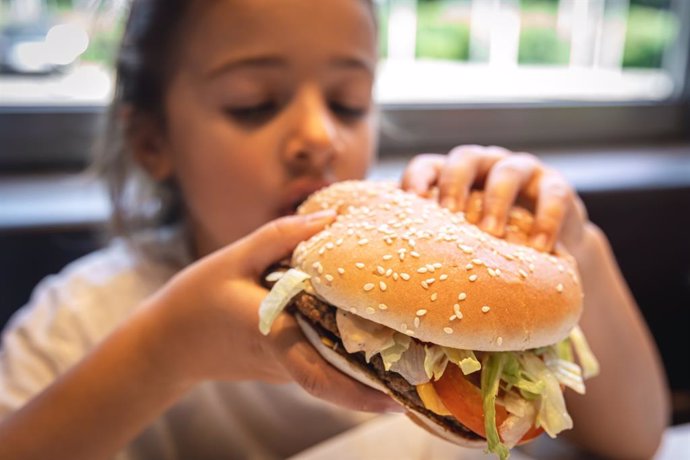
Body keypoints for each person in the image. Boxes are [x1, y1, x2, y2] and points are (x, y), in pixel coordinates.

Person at [0, 0, 669, 459]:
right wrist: (163, 351)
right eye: (254, 104)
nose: (319, 137)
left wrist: (573, 247)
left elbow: (638, 439)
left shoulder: (439, 296)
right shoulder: (81, 317)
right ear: (153, 143)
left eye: (349, 102)